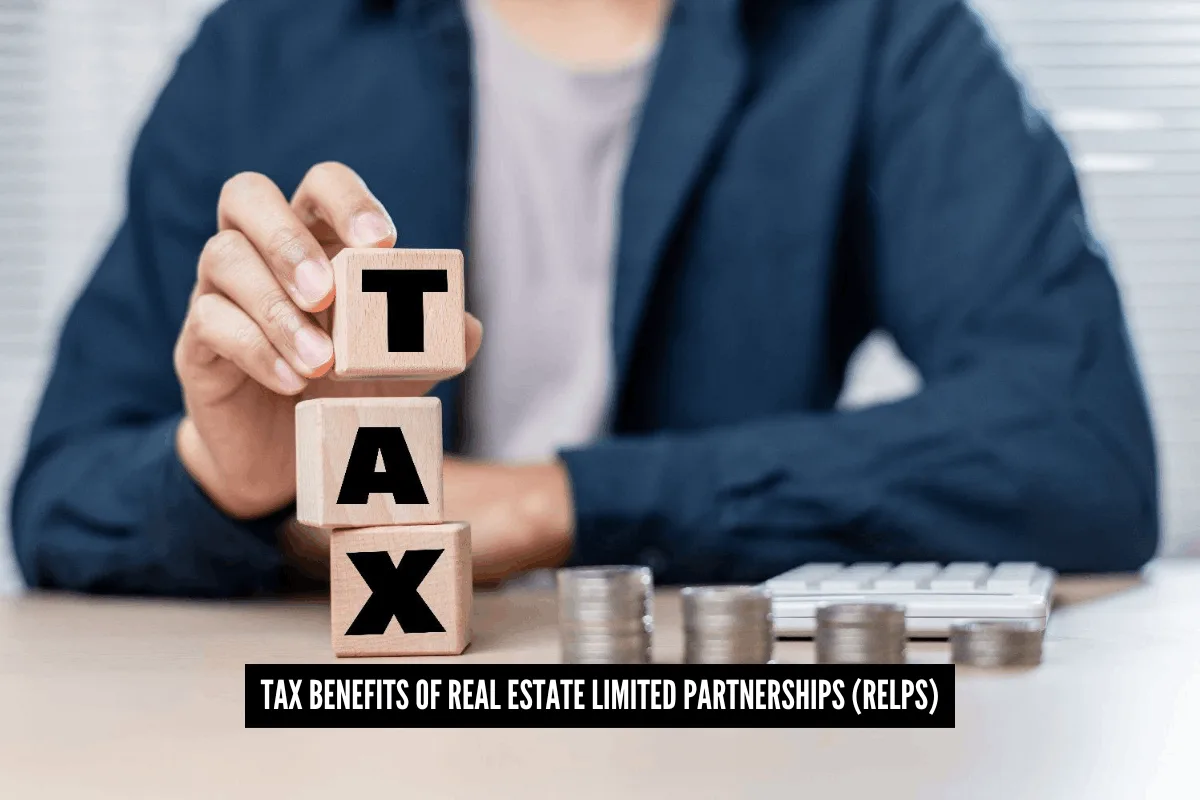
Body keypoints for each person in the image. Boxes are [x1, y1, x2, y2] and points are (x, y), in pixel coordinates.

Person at [9, 0, 1158, 597]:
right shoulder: (267, 46)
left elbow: (1077, 448)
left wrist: (554, 501)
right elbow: (60, 492)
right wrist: (234, 480)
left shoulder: (878, 35)